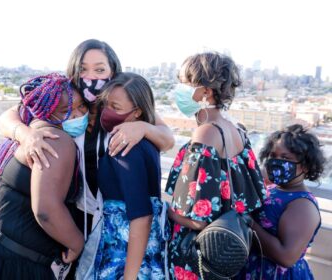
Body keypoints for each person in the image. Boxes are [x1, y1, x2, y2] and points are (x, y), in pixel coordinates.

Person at [0, 38, 174, 235]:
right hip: (77, 213)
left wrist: (143, 128)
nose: (90, 78)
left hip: (119, 220)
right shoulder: (63, 97)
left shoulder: (123, 102)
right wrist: (25, 134)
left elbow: (167, 139)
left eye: (99, 70)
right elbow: (7, 117)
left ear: (113, 71)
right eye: (83, 70)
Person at [0, 73, 86, 279]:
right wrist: (77, 244)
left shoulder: (31, 123)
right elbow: (45, 210)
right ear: (47, 110)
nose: (77, 115)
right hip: (11, 262)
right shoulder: (55, 139)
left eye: (81, 107)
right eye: (65, 111)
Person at [165, 52, 267, 279]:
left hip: (198, 258)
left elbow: (197, 219)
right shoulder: (236, 129)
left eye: (184, 84)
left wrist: (165, 211)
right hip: (227, 253)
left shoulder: (207, 132)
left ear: (205, 92)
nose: (178, 91)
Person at [76, 72, 170, 280]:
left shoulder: (126, 146)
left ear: (137, 112)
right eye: (106, 104)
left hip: (123, 257)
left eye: (115, 108)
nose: (107, 112)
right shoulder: (146, 140)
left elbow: (141, 217)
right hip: (139, 254)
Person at [237, 124, 325, 279]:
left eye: (285, 158)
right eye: (273, 156)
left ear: (305, 165)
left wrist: (249, 222)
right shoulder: (275, 188)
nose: (276, 162)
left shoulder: (302, 205)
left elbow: (286, 257)